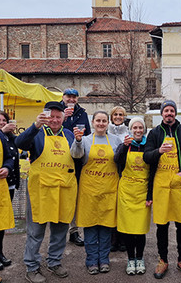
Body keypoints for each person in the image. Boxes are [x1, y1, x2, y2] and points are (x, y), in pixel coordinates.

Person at [15, 102, 78, 283]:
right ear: (46, 117)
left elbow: (78, 157)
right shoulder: (38, 133)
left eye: (58, 117)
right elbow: (19, 142)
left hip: (63, 189)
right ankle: (32, 267)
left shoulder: (69, 135)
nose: (55, 120)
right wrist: (35, 126)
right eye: (52, 116)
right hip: (41, 191)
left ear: (63, 119)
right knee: (36, 231)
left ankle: (54, 261)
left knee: (60, 230)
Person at [143, 100, 181, 279]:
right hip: (160, 185)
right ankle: (163, 260)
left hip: (180, 185)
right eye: (166, 110)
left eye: (171, 110)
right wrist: (159, 150)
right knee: (162, 225)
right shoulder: (154, 133)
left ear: (175, 113)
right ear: (161, 114)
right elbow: (146, 157)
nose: (169, 113)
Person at [70, 110, 121, 275]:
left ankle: (104, 259)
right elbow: (76, 155)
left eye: (104, 121)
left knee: (106, 228)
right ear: (93, 122)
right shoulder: (84, 140)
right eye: (98, 120)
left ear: (108, 123)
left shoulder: (115, 140)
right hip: (89, 191)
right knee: (91, 228)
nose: (101, 123)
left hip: (109, 190)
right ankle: (91, 261)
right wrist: (77, 141)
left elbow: (121, 161)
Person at [114, 117, 151, 275]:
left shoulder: (149, 146)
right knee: (128, 229)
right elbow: (117, 160)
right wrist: (124, 147)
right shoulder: (125, 145)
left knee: (140, 229)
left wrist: (150, 194)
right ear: (130, 130)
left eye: (140, 127)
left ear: (144, 130)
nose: (137, 130)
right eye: (134, 127)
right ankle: (130, 260)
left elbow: (154, 169)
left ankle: (140, 259)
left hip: (142, 191)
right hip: (127, 191)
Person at [61, 88, 90, 246]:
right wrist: (63, 117)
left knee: (76, 196)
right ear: (63, 97)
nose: (71, 99)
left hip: (77, 161)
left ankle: (73, 231)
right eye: (69, 96)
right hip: (59, 159)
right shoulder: (56, 110)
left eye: (74, 97)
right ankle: (58, 231)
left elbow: (88, 136)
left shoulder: (82, 113)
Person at [0, 111, 20, 270]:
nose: (1, 122)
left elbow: (10, 157)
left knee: (0, 222)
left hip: (3, 186)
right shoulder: (0, 135)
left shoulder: (1, 138)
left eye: (4, 120)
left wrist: (6, 167)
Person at [108, 106, 128, 251]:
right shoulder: (106, 131)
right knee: (111, 207)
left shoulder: (128, 132)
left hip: (123, 172)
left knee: (122, 207)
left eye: (121, 115)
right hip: (108, 172)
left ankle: (122, 239)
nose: (118, 117)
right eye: (115, 114)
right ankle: (112, 239)